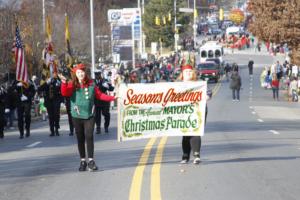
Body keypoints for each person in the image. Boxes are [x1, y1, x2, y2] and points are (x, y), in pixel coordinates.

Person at [59, 64, 116, 172]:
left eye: (82, 72)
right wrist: (63, 83)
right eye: (78, 72)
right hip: (77, 115)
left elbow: (100, 95)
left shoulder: (91, 85)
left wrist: (113, 98)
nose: (81, 74)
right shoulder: (72, 84)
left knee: (89, 136)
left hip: (89, 114)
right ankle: (82, 161)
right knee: (80, 138)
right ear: (75, 74)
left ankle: (91, 161)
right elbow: (64, 92)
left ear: (85, 73)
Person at [178, 64, 205, 164]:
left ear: (193, 73)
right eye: (186, 72)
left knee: (195, 131)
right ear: (182, 74)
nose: (188, 73)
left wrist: (207, 96)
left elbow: (208, 93)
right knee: (186, 133)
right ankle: (185, 156)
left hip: (196, 110)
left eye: (190, 71)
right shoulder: (177, 85)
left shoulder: (199, 84)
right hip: (182, 111)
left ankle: (196, 155)